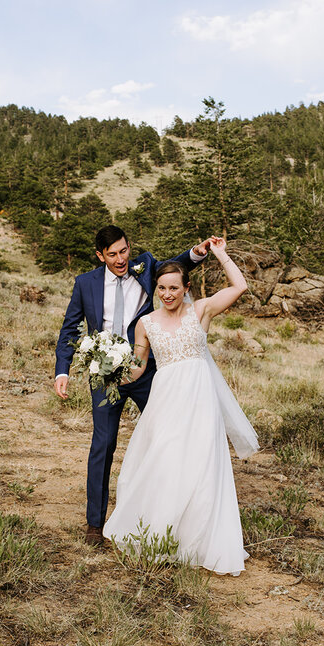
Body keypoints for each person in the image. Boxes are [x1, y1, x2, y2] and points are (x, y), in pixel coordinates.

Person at [103, 236, 259, 576]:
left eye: (174, 288)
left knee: (202, 462)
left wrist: (220, 254)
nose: (168, 294)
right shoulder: (146, 324)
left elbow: (241, 286)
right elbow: (138, 367)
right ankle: (160, 533)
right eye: (162, 288)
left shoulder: (201, 310)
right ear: (156, 289)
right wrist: (109, 370)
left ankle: (199, 539)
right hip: (166, 397)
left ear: (186, 287)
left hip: (200, 396)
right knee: (166, 457)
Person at [54, 225, 213, 548]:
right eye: (112, 254)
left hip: (147, 371)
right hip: (105, 374)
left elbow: (176, 265)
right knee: (104, 444)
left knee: (167, 439)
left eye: (124, 251)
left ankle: (170, 518)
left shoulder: (145, 266)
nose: (120, 259)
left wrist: (198, 252)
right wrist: (63, 371)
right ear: (100, 256)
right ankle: (95, 525)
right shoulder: (85, 284)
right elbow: (70, 327)